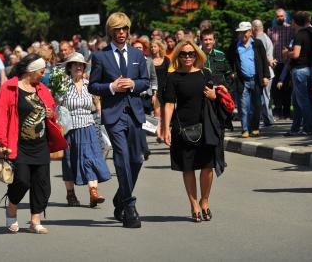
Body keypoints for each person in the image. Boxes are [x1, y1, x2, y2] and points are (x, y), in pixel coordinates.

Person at [88, 12, 149, 228]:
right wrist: (112, 87)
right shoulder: (100, 56)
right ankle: (130, 206)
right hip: (114, 114)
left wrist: (133, 84)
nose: (121, 33)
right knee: (121, 158)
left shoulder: (137, 54)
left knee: (136, 160)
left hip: (134, 112)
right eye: (117, 29)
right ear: (111, 32)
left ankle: (120, 197)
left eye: (124, 29)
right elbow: (92, 86)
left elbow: (145, 81)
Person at [0, 54, 56, 234]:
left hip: (40, 145)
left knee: (42, 184)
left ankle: (35, 221)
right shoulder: (9, 88)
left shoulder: (43, 89)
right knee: (22, 180)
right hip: (18, 145)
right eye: (42, 71)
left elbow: (51, 113)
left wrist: (51, 115)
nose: (44, 74)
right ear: (30, 71)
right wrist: (1, 142)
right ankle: (12, 207)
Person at [163, 40, 223, 222]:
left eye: (191, 53)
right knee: (187, 168)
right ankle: (194, 204)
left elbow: (217, 94)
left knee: (207, 167)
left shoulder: (205, 73)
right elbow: (169, 104)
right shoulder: (173, 77)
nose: (187, 57)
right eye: (183, 54)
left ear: (196, 55)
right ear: (178, 56)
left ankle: (205, 201)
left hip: (206, 126)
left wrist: (214, 95)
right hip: (183, 128)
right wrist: (166, 128)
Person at [61, 53, 111, 207]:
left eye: (81, 64)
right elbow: (57, 107)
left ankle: (93, 192)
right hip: (69, 129)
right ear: (69, 67)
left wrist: (104, 121)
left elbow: (97, 106)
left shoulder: (90, 85)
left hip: (88, 126)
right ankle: (70, 194)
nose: (78, 67)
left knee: (92, 158)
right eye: (75, 64)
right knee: (70, 161)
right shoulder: (63, 86)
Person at [227, 22, 270, 138]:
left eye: (244, 32)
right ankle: (245, 129)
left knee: (257, 105)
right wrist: (231, 72)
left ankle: (254, 128)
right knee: (243, 106)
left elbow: (264, 61)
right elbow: (229, 60)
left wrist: (266, 76)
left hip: (256, 80)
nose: (242, 34)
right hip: (242, 81)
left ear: (250, 32)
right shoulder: (235, 45)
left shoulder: (257, 44)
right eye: (240, 32)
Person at [282, 11, 312, 136]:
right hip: (309, 68)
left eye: (292, 21)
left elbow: (296, 54)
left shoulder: (300, 35)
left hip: (300, 70)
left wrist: (287, 53)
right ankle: (300, 127)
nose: (291, 23)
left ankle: (307, 128)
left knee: (302, 101)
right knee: (302, 100)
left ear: (296, 22)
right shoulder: (311, 33)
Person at [268, 8, 294, 119]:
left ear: (285, 17)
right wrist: (270, 59)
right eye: (278, 16)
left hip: (287, 62)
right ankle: (278, 110)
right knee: (275, 88)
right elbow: (268, 47)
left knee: (287, 88)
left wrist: (288, 51)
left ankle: (287, 111)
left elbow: (293, 43)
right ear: (275, 17)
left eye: (282, 16)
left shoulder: (290, 29)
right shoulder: (271, 30)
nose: (280, 18)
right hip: (275, 63)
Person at [252, 19, 276, 127]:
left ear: (254, 28)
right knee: (266, 97)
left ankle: (268, 120)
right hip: (268, 72)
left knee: (264, 97)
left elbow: (264, 57)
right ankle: (268, 119)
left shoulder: (259, 39)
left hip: (265, 73)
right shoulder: (266, 37)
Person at [151, 39, 170, 141]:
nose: (153, 49)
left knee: (164, 112)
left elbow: (170, 75)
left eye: (154, 46)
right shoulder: (149, 61)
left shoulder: (166, 60)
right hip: (155, 90)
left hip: (166, 88)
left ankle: (164, 132)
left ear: (159, 47)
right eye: (151, 47)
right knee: (157, 111)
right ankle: (158, 133)